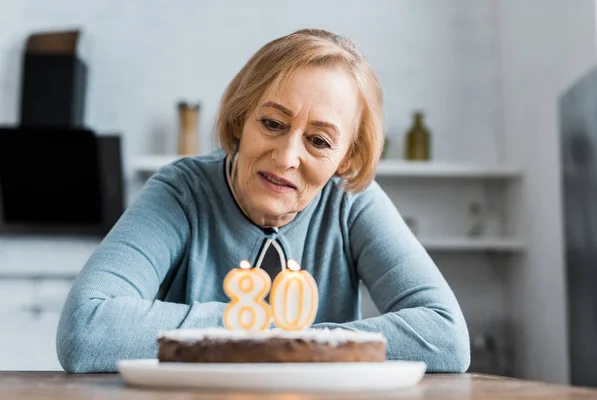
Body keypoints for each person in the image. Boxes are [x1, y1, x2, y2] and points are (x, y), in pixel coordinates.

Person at [56, 28, 470, 373]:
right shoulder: (181, 192)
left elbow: (446, 338)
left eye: (319, 141)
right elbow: (85, 329)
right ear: (241, 118)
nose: (287, 157)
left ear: (346, 159)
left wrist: (290, 341)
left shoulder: (351, 201)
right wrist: (261, 328)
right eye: (272, 123)